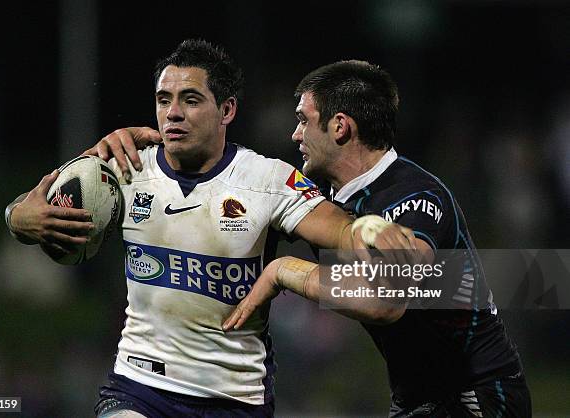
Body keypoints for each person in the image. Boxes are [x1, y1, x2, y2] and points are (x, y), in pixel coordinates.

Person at [4, 41, 415, 418]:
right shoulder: (124, 168)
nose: (173, 113)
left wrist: (370, 228)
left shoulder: (267, 180)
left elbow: (342, 230)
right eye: (164, 100)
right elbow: (30, 207)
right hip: (140, 386)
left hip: (234, 397)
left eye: (191, 99)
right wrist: (18, 218)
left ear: (227, 110)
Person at [221, 60, 532, 417]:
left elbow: (385, 301)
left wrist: (285, 271)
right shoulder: (325, 202)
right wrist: (153, 159)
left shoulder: (416, 197)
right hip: (414, 399)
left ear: (340, 126)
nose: (295, 134)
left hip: (477, 394)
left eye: (303, 120)